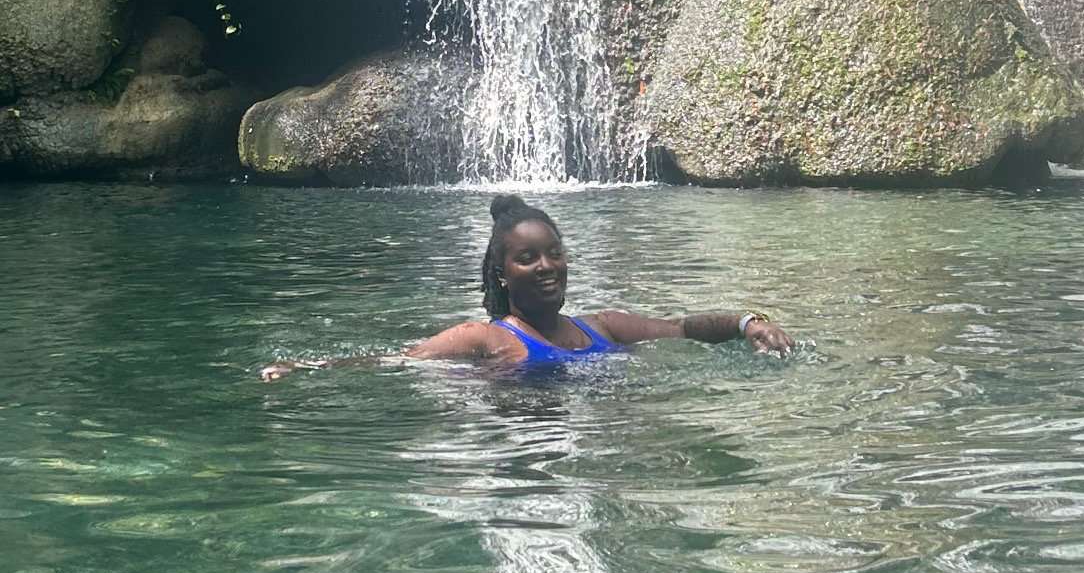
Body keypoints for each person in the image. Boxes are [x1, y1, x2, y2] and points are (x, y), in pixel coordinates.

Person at [260, 192, 794, 378]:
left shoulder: (603, 326)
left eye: (554, 253)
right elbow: (397, 361)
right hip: (519, 458)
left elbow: (681, 328)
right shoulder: (485, 339)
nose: (546, 266)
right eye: (527, 258)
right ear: (502, 272)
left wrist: (749, 321)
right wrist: (306, 367)